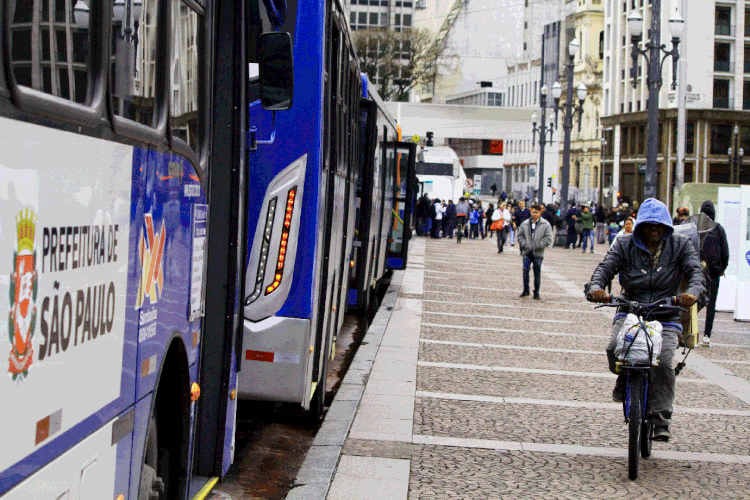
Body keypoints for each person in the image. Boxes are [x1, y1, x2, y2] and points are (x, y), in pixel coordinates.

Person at [585, 198, 706, 443]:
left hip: (666, 311)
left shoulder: (680, 245)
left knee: (663, 362)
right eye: (649, 225)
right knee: (613, 348)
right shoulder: (624, 244)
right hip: (631, 307)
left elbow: (695, 272)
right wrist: (596, 287)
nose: (654, 229)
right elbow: (605, 268)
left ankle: (661, 419)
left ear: (667, 227)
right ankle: (623, 377)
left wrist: (691, 293)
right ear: (640, 226)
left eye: (659, 225)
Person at [698, 200, 730, 347]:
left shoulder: (696, 226)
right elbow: (725, 252)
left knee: (693, 301)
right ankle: (707, 336)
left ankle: (691, 334)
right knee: (711, 303)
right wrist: (721, 269)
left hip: (697, 270)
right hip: (714, 271)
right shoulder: (718, 229)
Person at [517, 204, 553, 300]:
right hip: (527, 251)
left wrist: (539, 245)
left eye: (536, 212)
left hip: (538, 252)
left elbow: (548, 238)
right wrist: (525, 244)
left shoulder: (545, 224)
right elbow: (520, 236)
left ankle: (536, 292)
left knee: (537, 272)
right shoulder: (525, 224)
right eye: (533, 212)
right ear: (530, 212)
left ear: (540, 212)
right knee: (525, 271)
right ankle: (526, 290)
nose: (534, 214)